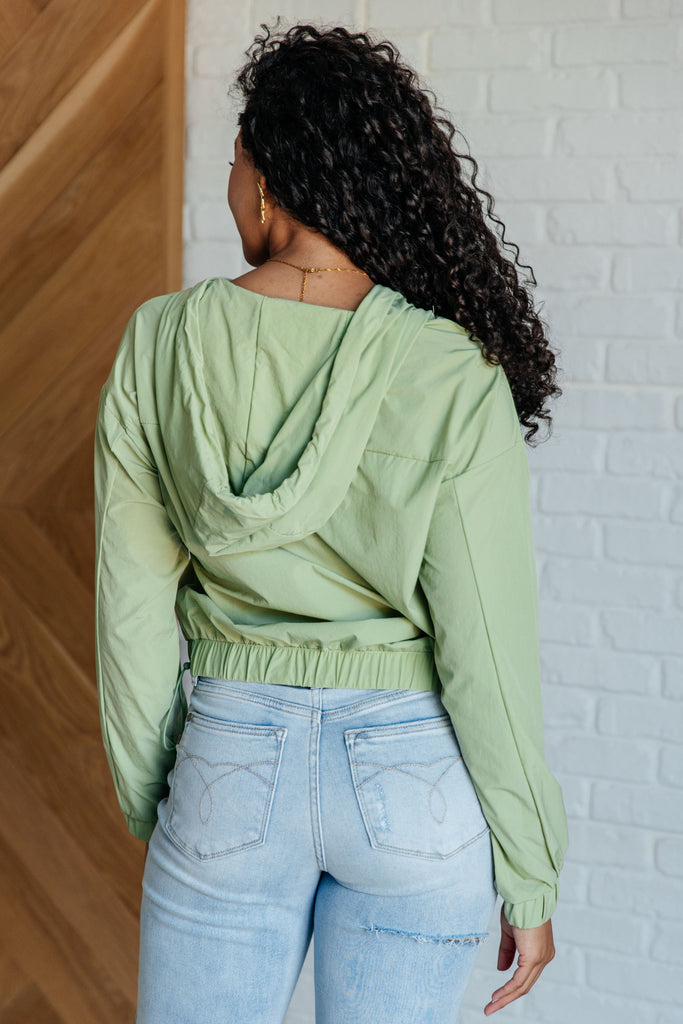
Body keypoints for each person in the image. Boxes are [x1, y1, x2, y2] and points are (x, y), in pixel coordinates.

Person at [94, 20, 569, 1024]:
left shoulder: (160, 342)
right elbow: (486, 648)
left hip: (229, 760)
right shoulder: (451, 371)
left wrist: (166, 798)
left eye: (234, 167)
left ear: (266, 181)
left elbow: (130, 611)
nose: (231, 190)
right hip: (412, 777)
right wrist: (528, 872)